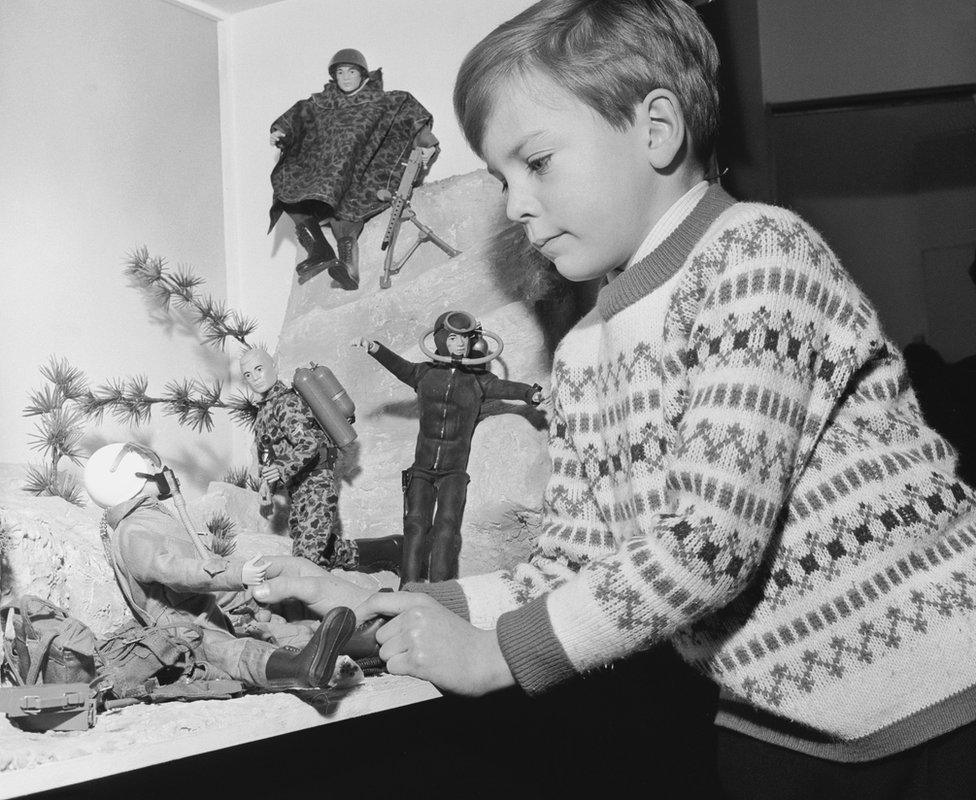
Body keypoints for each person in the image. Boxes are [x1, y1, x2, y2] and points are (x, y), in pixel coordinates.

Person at [255, 1, 976, 797]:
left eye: (538, 162)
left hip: (947, 697)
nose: (517, 204)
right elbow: (572, 566)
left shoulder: (757, 256)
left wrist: (498, 655)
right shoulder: (587, 348)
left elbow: (709, 541)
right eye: (500, 179)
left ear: (656, 129)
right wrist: (388, 601)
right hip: (781, 717)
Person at [84, 442, 357, 691]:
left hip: (207, 600)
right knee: (230, 653)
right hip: (185, 624)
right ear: (131, 479)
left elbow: (198, 559)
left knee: (282, 582)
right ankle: (299, 669)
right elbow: (176, 572)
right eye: (149, 465)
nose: (160, 469)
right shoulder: (133, 531)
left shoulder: (149, 516)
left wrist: (239, 575)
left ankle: (352, 625)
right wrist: (237, 574)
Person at [353, 310, 542, 583]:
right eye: (453, 338)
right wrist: (375, 348)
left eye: (465, 338)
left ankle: (441, 592)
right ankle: (408, 588)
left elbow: (508, 388)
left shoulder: (479, 380)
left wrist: (530, 393)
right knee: (415, 525)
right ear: (441, 340)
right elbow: (399, 366)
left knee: (446, 529)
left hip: (454, 471)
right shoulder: (424, 374)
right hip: (422, 468)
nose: (460, 344)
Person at [269, 48, 439, 290]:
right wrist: (280, 132)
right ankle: (318, 249)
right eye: (340, 72)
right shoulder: (320, 103)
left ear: (363, 74)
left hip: (362, 173)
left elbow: (410, 118)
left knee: (347, 211)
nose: (346, 77)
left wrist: (427, 145)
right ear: (334, 76)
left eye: (351, 71)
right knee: (287, 192)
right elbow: (295, 118)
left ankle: (348, 266)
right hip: (324, 173)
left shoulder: (385, 101)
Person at [240, 346, 402, 573]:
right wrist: (266, 484)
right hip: (299, 489)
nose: (255, 378)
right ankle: (390, 549)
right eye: (248, 375)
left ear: (274, 366)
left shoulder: (286, 403)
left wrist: (280, 469)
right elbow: (267, 450)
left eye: (259, 369)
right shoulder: (265, 411)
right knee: (315, 549)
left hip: (317, 484)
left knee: (307, 559)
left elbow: (309, 444)